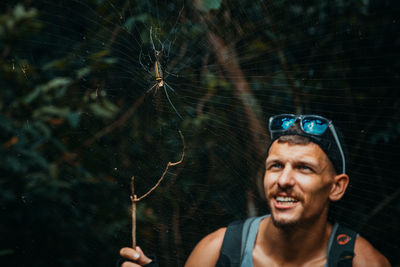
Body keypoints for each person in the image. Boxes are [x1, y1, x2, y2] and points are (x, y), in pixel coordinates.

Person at [119, 114, 390, 267]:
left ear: (336, 187)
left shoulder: (361, 262)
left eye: (304, 168)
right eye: (275, 166)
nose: (283, 180)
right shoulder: (218, 252)